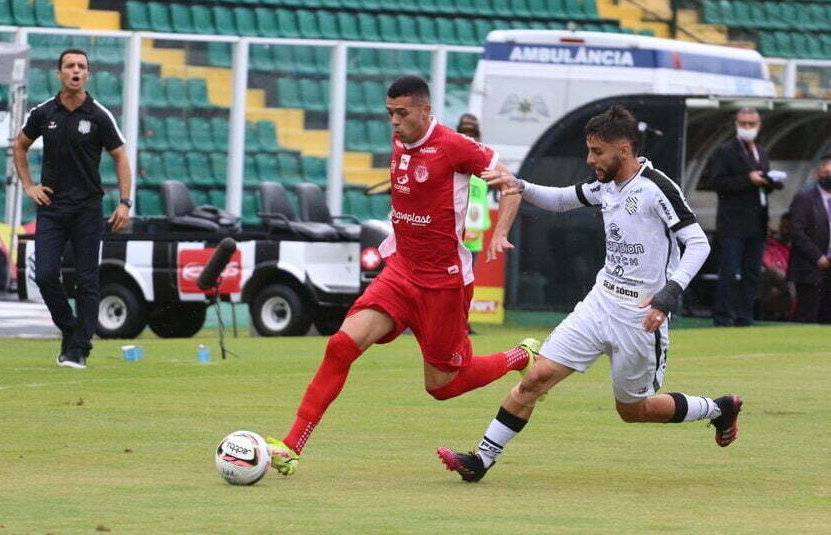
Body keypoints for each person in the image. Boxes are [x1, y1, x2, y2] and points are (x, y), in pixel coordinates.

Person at [435, 105, 742, 483]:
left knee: (633, 411)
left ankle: (718, 409)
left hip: (640, 316)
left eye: (597, 151)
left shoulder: (656, 188)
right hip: (599, 304)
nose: (590, 159)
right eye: (589, 150)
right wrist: (520, 185)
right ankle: (481, 459)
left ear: (624, 150)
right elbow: (562, 199)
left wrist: (667, 295)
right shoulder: (606, 186)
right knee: (535, 378)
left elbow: (697, 243)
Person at [265, 76, 533, 476]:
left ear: (425, 110)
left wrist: (500, 232)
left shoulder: (454, 145)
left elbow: (512, 185)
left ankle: (520, 356)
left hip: (444, 283)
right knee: (341, 346)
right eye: (389, 113)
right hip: (402, 271)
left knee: (443, 386)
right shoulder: (400, 141)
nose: (394, 121)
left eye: (402, 113)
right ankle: (291, 446)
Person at [13, 48, 132, 369]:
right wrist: (29, 186)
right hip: (52, 207)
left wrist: (125, 202)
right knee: (45, 274)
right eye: (70, 66)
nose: (75, 71)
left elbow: (121, 157)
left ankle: (78, 349)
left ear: (87, 74)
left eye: (81, 66)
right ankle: (70, 328)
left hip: (87, 209)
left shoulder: (99, 115)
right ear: (60, 73)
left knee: (87, 280)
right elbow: (20, 145)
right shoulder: (43, 112)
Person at [710, 107, 782, 327]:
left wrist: (769, 181)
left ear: (759, 126)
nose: (747, 127)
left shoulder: (762, 152)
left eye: (751, 124)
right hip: (733, 223)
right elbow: (717, 182)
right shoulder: (726, 151)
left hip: (757, 222)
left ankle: (745, 315)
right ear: (737, 124)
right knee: (729, 271)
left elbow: (761, 187)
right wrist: (748, 179)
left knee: (752, 273)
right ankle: (723, 315)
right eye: (743, 123)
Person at [456, 114, 491, 334]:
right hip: (456, 230)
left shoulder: (483, 163)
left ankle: (462, 321)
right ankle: (455, 322)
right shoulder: (454, 162)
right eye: (465, 133)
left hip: (474, 232)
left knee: (467, 279)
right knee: (454, 280)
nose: (470, 138)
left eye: (473, 134)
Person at [787, 156, 831, 323]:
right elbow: (797, 232)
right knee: (808, 316)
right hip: (810, 269)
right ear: (818, 174)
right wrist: (818, 257)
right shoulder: (804, 198)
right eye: (826, 172)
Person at [758, 213, 793, 321]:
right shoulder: (769, 247)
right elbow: (770, 269)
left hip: (790, 288)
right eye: (783, 227)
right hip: (772, 289)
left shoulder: (799, 250)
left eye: (789, 228)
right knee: (773, 274)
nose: (785, 231)